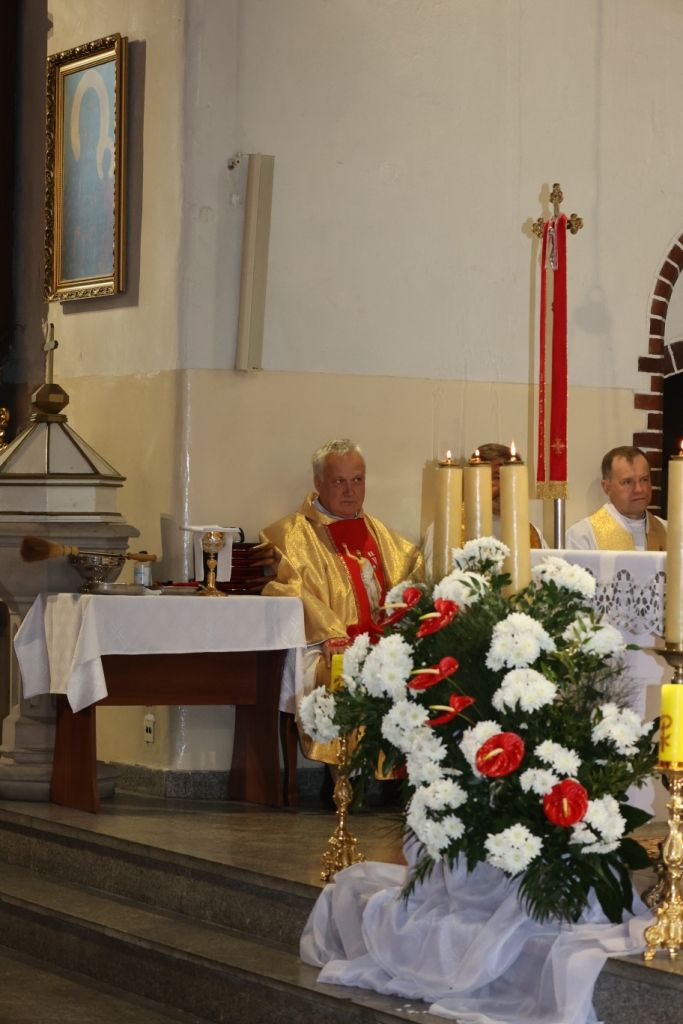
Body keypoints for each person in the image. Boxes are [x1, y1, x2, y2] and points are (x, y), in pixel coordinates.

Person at [260, 438, 423, 770]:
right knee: (341, 668)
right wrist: (331, 633)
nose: (350, 491)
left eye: (357, 480)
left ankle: (404, 779)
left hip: (382, 644)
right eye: (339, 481)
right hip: (323, 645)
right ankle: (345, 781)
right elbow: (288, 590)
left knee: (426, 668)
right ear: (318, 483)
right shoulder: (288, 536)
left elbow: (413, 586)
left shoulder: (387, 540)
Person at [422, 442, 544, 577]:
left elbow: (548, 572)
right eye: (498, 477)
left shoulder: (530, 532)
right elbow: (436, 576)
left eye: (514, 479)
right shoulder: (447, 528)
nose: (508, 486)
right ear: (475, 481)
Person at [564, 445, 666, 550]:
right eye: (627, 482)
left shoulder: (667, 531)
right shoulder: (583, 536)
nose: (639, 489)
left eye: (644, 480)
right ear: (606, 487)